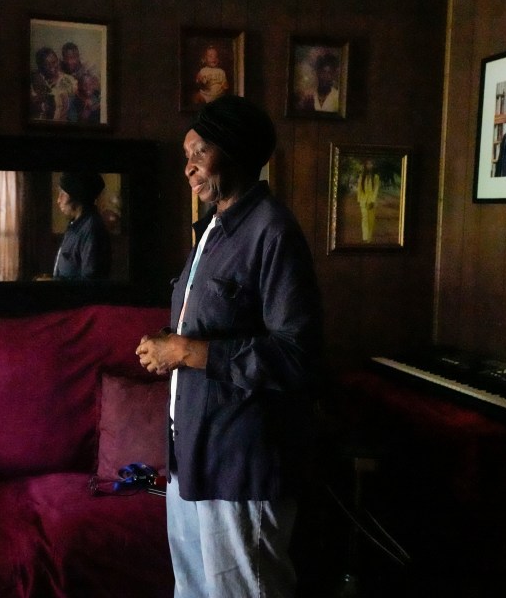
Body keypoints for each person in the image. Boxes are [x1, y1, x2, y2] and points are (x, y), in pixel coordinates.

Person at [135, 95, 324, 598]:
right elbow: (207, 327)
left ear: (235, 151)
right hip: (192, 455)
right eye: (185, 157)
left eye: (199, 153)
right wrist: (170, 344)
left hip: (240, 462)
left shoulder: (273, 232)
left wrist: (186, 352)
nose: (188, 168)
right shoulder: (212, 231)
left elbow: (297, 355)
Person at [52, 172, 111, 280]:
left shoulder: (91, 229)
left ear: (76, 196)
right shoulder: (74, 225)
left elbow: (90, 280)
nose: (58, 200)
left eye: (62, 194)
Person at [30, 47, 75, 121]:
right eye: (46, 64)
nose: (51, 67)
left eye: (54, 62)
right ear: (40, 67)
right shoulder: (34, 81)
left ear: (58, 60)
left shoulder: (69, 80)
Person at [356, 158, 380, 242]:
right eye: (368, 164)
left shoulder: (376, 177)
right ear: (365, 166)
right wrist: (359, 199)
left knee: (371, 220)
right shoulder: (361, 176)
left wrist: (373, 201)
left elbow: (376, 189)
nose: (369, 165)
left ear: (373, 166)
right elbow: (359, 188)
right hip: (363, 201)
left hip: (371, 201)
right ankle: (365, 237)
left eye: (371, 164)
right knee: (364, 219)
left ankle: (369, 238)